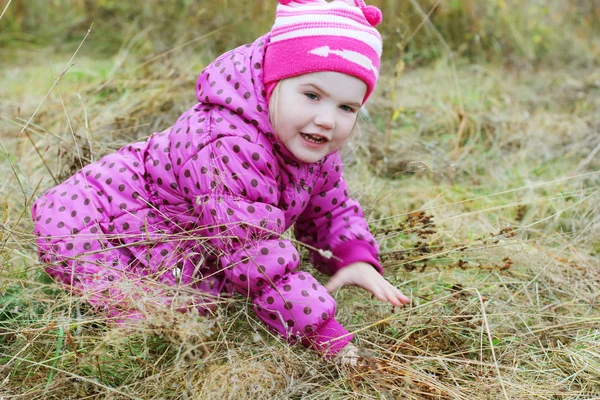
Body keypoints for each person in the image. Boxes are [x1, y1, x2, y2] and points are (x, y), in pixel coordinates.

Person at [31, 0, 410, 361]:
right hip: (92, 227)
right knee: (167, 327)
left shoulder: (309, 139)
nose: (328, 119)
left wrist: (353, 256)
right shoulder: (225, 145)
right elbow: (255, 254)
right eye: (312, 95)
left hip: (181, 237)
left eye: (346, 108)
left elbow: (330, 205)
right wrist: (324, 334)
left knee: (204, 305)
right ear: (270, 84)